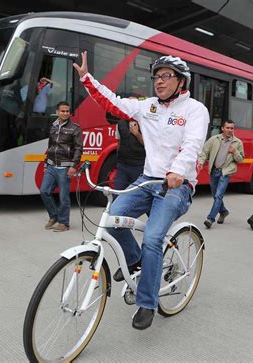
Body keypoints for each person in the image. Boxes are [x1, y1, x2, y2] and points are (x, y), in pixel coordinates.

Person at [73, 52, 209, 330]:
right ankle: (136, 263)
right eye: (157, 77)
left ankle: (146, 303)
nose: (159, 81)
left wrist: (178, 171)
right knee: (112, 220)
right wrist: (87, 78)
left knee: (153, 238)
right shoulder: (148, 106)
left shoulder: (195, 110)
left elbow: (192, 145)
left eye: (166, 76)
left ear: (182, 81)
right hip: (147, 179)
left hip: (176, 186)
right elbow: (114, 102)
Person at [40, 101, 83, 232]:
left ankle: (64, 223)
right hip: (51, 165)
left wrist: (73, 166)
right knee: (44, 191)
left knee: (63, 197)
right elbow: (50, 146)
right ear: (57, 112)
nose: (65, 113)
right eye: (62, 111)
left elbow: (79, 148)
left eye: (67, 111)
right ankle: (54, 216)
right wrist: (46, 162)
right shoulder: (53, 126)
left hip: (65, 167)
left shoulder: (75, 128)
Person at [198, 119, 244, 228]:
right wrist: (200, 162)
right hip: (214, 171)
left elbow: (240, 160)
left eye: (231, 128)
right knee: (215, 195)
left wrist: (235, 152)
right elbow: (204, 152)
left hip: (226, 172)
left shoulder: (237, 143)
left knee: (218, 195)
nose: (229, 130)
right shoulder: (214, 139)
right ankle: (223, 211)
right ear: (222, 128)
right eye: (227, 128)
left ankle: (210, 219)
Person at [111, 114, 145, 190]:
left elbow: (149, 146)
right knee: (117, 193)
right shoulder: (120, 123)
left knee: (135, 195)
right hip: (122, 166)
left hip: (138, 167)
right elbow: (119, 143)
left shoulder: (144, 123)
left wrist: (137, 134)